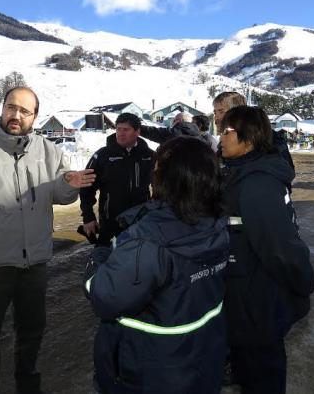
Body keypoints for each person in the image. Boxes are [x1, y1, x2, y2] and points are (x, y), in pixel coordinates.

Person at [0, 86, 95, 394]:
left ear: (35, 116)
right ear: (2, 107)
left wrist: (68, 184)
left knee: (32, 332)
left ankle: (28, 386)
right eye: (11, 107)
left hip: (35, 261)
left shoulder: (49, 150)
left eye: (24, 111)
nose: (15, 115)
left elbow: (59, 194)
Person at [84, 137, 230, 394]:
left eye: (158, 167)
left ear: (170, 177)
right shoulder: (216, 222)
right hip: (203, 356)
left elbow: (105, 297)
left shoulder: (148, 240)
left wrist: (98, 259)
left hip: (150, 370)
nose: (153, 173)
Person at [220, 106, 314, 394]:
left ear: (248, 138)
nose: (220, 138)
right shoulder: (240, 173)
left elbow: (281, 250)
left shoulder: (257, 184)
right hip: (245, 303)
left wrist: (302, 285)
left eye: (227, 131)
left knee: (263, 378)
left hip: (258, 307)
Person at [80, 113, 155, 246]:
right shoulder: (103, 156)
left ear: (137, 132)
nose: (120, 133)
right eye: (118, 129)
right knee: (106, 259)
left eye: (126, 129)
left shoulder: (149, 156)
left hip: (141, 221)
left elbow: (161, 187)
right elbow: (86, 187)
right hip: (110, 222)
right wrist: (88, 217)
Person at [138, 111, 203, 143]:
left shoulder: (175, 133)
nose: (172, 123)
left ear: (179, 120)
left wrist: (137, 127)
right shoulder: (200, 138)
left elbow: (154, 132)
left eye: (174, 120)